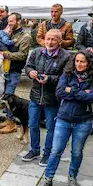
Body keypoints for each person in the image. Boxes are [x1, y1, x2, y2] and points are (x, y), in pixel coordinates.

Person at [36, 51, 93, 186]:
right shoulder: (67, 74)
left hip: (83, 121)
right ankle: (48, 178)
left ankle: (72, 176)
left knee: (77, 152)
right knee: (56, 151)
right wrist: (81, 92)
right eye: (77, 61)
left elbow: (91, 97)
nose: (78, 64)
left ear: (89, 63)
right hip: (63, 118)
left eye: (82, 61)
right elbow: (59, 92)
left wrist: (71, 90)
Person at [22, 29, 70, 165]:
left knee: (51, 127)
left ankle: (48, 153)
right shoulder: (36, 52)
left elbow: (65, 77)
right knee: (32, 124)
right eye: (48, 39)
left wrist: (50, 79)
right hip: (35, 95)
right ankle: (34, 150)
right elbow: (28, 66)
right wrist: (30, 72)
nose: (50, 42)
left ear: (60, 41)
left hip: (52, 98)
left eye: (53, 39)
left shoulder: (65, 56)